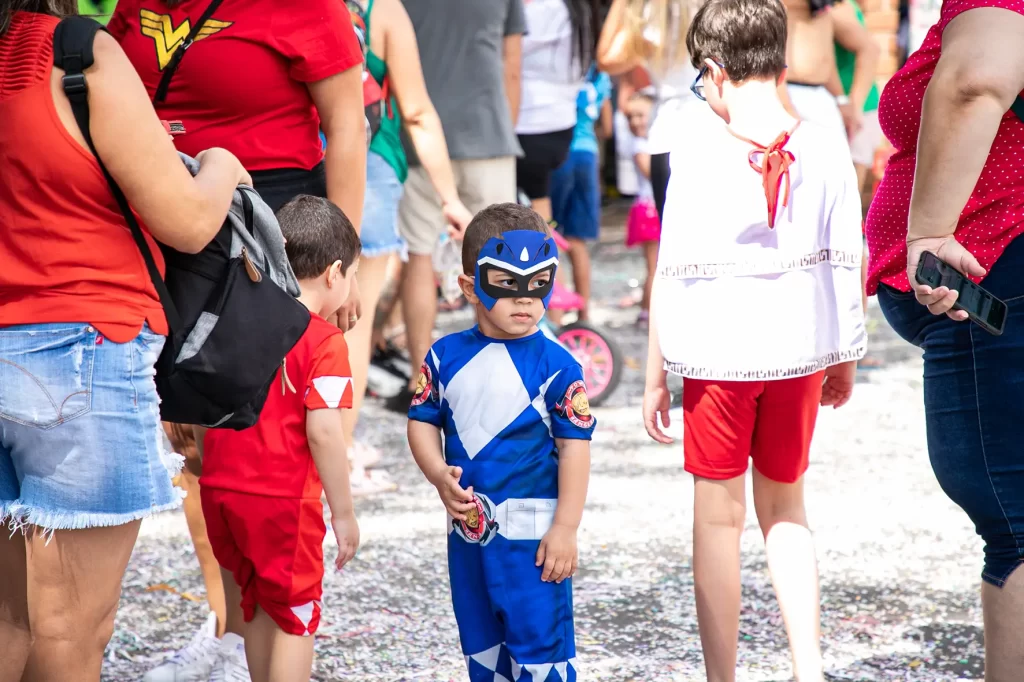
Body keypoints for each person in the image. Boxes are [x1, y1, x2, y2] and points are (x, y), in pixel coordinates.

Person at [107, 3, 367, 677]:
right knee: (194, 442)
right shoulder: (134, 6)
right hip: (163, 227)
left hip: (272, 238)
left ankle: (250, 626)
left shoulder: (306, 6)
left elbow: (347, 123)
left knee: (267, 427)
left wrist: (347, 260)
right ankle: (228, 622)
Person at [0, 3, 246, 680]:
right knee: (75, 628)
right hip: (82, 343)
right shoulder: (73, 53)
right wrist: (222, 163)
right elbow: (188, 220)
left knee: (9, 617)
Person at [642, 2, 865, 680]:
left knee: (717, 519)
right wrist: (844, 352)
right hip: (798, 349)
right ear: (784, 57)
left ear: (712, 72)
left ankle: (723, 677)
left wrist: (657, 374)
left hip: (718, 355)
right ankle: (808, 665)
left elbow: (671, 265)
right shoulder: (824, 137)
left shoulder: (695, 144)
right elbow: (844, 254)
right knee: (786, 507)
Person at [865, 1, 1024, 678]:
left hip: (997, 275)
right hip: (997, 284)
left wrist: (926, 232)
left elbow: (974, 80)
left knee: (1017, 526)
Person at [407, 203, 594, 681]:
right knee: (482, 657)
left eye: (539, 285)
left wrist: (566, 528)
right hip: (466, 539)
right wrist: (435, 472)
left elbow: (575, 447)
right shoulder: (443, 356)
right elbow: (422, 419)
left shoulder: (557, 364)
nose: (525, 301)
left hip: (535, 544)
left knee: (542, 657)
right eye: (507, 284)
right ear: (469, 286)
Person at [197, 195, 362, 682]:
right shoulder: (325, 341)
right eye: (351, 276)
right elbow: (325, 430)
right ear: (334, 273)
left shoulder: (237, 320)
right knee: (296, 616)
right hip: (282, 502)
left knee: (255, 607)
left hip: (221, 489)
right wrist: (344, 512)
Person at [341, 0, 473, 491]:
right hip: (371, 168)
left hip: (292, 169)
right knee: (352, 328)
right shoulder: (382, 11)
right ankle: (341, 459)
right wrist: (449, 198)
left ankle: (293, 458)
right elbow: (415, 111)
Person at [385, 0, 526, 412]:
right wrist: (505, 127)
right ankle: (506, 368)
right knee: (506, 255)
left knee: (420, 256)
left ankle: (419, 378)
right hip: (488, 134)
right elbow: (512, 65)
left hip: (420, 142)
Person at [597, 0, 704, 222]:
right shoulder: (710, 10)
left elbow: (606, 58)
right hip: (709, 122)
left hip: (670, 130)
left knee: (674, 238)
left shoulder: (650, 16)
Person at [515, 0, 597, 224]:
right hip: (559, 125)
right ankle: (546, 254)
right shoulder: (575, 9)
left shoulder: (544, 9)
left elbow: (506, 45)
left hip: (528, 123)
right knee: (540, 207)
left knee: (514, 213)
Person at [549, 64, 613, 321]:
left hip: (559, 155)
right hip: (588, 156)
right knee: (577, 240)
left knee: (551, 233)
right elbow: (607, 129)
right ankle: (584, 314)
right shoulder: (602, 77)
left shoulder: (563, 67)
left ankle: (555, 313)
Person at [830, 0, 881, 195]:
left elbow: (871, 49)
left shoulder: (837, 7)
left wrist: (854, 107)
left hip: (857, 110)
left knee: (847, 198)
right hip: (844, 108)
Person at [622, 91, 661, 327]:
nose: (636, 121)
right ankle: (648, 312)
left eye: (641, 115)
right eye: (630, 117)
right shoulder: (640, 145)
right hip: (649, 210)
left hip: (650, 209)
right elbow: (652, 174)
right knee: (655, 266)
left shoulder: (651, 141)